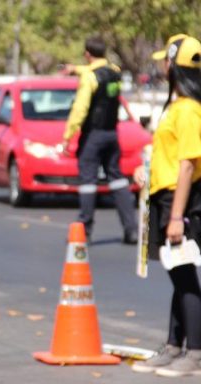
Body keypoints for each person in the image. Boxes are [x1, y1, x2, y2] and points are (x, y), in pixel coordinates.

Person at [130, 34, 201, 377]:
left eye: (165, 61)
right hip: (166, 196)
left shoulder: (189, 111)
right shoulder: (178, 107)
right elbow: (168, 157)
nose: (162, 67)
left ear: (173, 65)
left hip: (180, 200)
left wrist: (177, 216)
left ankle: (195, 355)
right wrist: (145, 170)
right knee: (179, 277)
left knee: (185, 278)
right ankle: (174, 347)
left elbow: (187, 166)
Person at [61, 37, 138, 244]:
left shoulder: (89, 78)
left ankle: (84, 231)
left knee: (88, 182)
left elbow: (80, 109)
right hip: (112, 134)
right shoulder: (114, 72)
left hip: (93, 136)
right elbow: (96, 70)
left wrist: (68, 135)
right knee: (118, 179)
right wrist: (75, 69)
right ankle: (131, 229)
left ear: (87, 54)